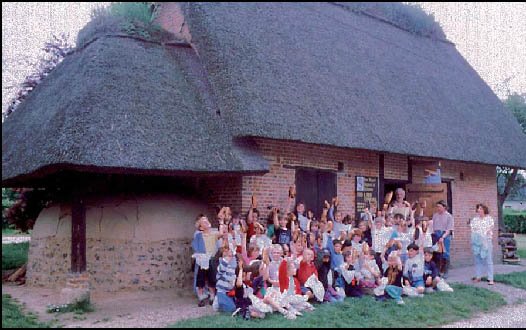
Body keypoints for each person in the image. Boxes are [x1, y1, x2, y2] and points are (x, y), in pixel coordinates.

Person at [191, 214, 222, 307]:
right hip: (202, 260)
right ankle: (201, 297)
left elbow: (221, 234)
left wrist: (221, 222)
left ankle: (212, 296)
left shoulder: (214, 233)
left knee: (211, 279)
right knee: (200, 279)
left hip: (211, 259)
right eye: (203, 222)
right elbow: (195, 246)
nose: (207, 222)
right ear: (200, 227)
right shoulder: (199, 236)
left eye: (207, 220)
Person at [470, 203, 495, 285]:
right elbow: (473, 230)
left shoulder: (489, 219)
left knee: (488, 260)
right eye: (478, 209)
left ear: (484, 209)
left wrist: (484, 235)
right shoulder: (475, 220)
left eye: (481, 209)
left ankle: (490, 278)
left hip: (486, 241)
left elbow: (490, 228)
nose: (479, 210)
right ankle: (478, 276)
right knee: (478, 260)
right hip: (477, 242)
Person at [431, 200, 454, 278]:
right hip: (436, 234)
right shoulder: (435, 215)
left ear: (444, 207)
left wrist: (443, 237)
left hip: (445, 235)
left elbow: (449, 229)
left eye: (439, 207)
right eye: (437, 207)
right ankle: (437, 271)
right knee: (437, 253)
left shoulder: (449, 216)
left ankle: (445, 271)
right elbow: (433, 227)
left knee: (445, 253)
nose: (438, 208)